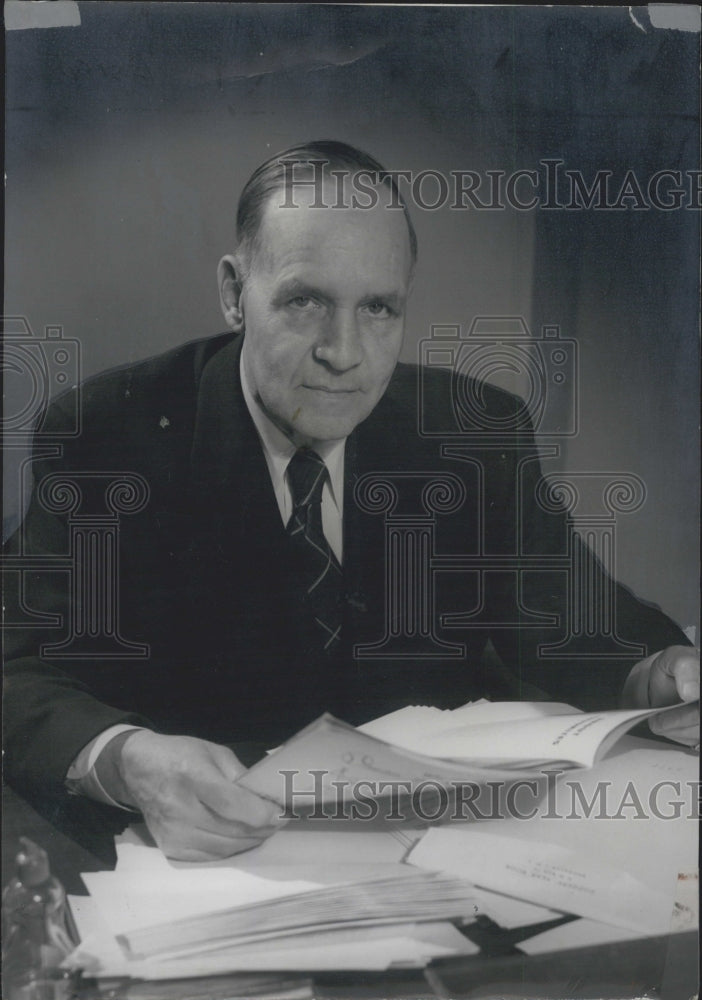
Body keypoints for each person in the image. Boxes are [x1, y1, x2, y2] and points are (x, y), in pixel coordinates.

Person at [3, 141, 699, 862]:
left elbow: (575, 620)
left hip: (447, 853)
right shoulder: (111, 433)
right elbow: (16, 669)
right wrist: (125, 759)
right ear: (235, 292)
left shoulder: (470, 431)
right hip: (200, 868)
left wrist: (658, 672)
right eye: (306, 301)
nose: (345, 352)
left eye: (378, 308)